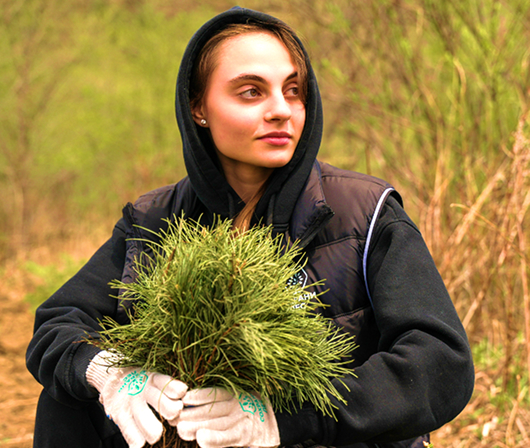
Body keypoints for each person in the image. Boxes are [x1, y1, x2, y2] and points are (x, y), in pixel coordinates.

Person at [26, 7, 474, 448]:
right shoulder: (153, 220)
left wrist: (286, 419)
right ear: (198, 107)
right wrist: (111, 375)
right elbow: (57, 323)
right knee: (66, 398)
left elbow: (441, 362)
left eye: (293, 90)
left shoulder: (366, 213)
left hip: (323, 438)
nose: (281, 110)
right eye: (251, 92)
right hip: (190, 439)